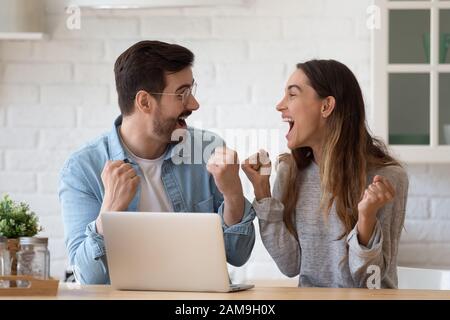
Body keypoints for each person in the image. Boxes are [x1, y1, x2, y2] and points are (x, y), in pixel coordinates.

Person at [59, 40, 256, 284]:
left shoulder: (207, 150)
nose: (194, 104)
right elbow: (89, 278)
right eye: (182, 94)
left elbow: (237, 254)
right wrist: (109, 210)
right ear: (144, 102)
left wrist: (233, 193)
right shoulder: (83, 169)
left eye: (191, 91)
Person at [242, 59, 408, 288]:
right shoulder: (290, 172)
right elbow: (290, 264)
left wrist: (366, 219)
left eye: (292, 95)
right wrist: (262, 192)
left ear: (326, 106)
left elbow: (372, 283)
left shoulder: (387, 178)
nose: (280, 105)